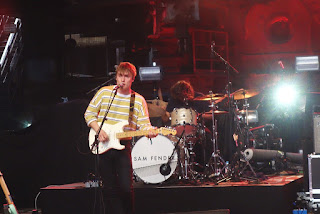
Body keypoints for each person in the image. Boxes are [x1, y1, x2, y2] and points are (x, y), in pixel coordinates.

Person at [84, 62, 156, 214]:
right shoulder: (105, 93)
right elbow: (89, 114)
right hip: (102, 144)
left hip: (123, 145)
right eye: (120, 76)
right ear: (116, 77)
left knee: (125, 188)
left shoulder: (138, 100)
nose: (123, 80)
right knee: (108, 188)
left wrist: (150, 131)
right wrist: (98, 130)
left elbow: (144, 125)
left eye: (126, 76)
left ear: (132, 79)